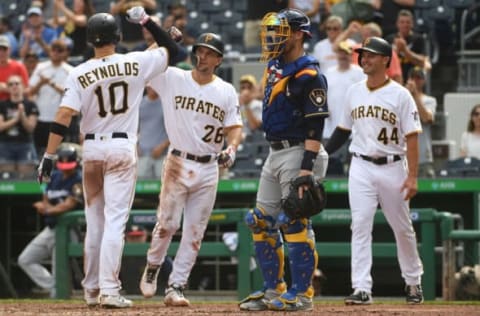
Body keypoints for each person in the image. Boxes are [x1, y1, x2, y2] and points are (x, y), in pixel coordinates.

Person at [36, 7, 182, 308]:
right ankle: (109, 290)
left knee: (95, 223)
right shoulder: (136, 61)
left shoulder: (78, 72)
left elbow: (64, 114)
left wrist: (49, 155)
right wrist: (148, 23)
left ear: (90, 40)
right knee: (115, 221)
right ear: (118, 36)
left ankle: (90, 290)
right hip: (120, 149)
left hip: (91, 150)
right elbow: (173, 51)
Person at [138, 32, 243, 307]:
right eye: (200, 50)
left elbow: (234, 127)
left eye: (209, 52)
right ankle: (153, 265)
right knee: (168, 225)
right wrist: (161, 41)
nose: (202, 55)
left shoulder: (226, 90)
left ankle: (176, 286)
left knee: (195, 233)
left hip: (209, 167)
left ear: (218, 59)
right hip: (178, 161)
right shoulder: (174, 76)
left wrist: (231, 148)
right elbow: (144, 65)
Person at [239, 9, 329, 312]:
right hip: (274, 151)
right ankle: (272, 290)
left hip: (300, 151)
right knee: (260, 221)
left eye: (284, 30)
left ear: (300, 34)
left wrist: (307, 170)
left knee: (293, 221)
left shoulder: (310, 75)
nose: (275, 35)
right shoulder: (275, 67)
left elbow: (316, 127)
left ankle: (302, 294)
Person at [325, 36, 424, 305]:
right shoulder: (354, 91)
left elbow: (413, 137)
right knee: (359, 225)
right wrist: (320, 152)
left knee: (402, 228)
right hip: (360, 165)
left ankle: (413, 281)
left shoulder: (401, 94)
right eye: (362, 54)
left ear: (384, 60)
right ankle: (361, 287)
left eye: (369, 55)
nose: (363, 59)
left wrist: (413, 176)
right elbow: (343, 131)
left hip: (393, 166)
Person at [18, 144, 82, 298]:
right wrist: (47, 207)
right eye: (63, 164)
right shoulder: (55, 176)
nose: (66, 168)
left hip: (67, 230)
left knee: (58, 267)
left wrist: (46, 209)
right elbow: (45, 199)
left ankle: (58, 292)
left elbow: (68, 205)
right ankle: (55, 286)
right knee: (25, 259)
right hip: (51, 227)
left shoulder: (79, 179)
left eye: (69, 165)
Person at [323, 40, 365, 175]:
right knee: (331, 165)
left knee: (353, 166)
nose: (342, 56)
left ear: (350, 55)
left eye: (346, 53)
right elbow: (322, 94)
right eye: (340, 53)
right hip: (331, 127)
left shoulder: (359, 73)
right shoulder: (328, 72)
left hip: (354, 128)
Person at [29, 39, 73, 158]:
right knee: (39, 151)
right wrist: (41, 83)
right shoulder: (41, 67)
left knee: (58, 152)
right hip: (41, 117)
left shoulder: (70, 70)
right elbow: (29, 92)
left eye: (59, 51)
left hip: (59, 118)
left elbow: (69, 94)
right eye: (53, 50)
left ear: (64, 53)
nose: (56, 53)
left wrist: (51, 83)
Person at [0, 75, 39, 179]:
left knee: (26, 178)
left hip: (25, 144)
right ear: (8, 88)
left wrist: (22, 116)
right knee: (7, 178)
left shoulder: (30, 105)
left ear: (23, 86)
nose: (14, 86)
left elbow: (30, 128)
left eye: (17, 83)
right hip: (5, 145)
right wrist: (16, 119)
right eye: (11, 84)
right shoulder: (2, 105)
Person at [405, 66, 437, 177]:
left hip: (423, 157)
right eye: (412, 77)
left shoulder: (430, 100)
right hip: (403, 157)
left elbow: (426, 118)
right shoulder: (401, 98)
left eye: (418, 78)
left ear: (423, 81)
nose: (415, 80)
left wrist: (415, 95)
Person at [385, 9, 430, 82]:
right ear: (397, 24)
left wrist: (405, 50)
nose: (405, 25)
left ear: (412, 24)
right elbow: (384, 62)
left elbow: (424, 62)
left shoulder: (419, 39)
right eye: (402, 22)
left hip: (413, 79)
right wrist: (396, 51)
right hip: (393, 79)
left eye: (408, 22)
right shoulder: (389, 39)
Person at [137, 86, 169, 179]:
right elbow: (133, 128)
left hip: (162, 155)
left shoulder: (166, 104)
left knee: (163, 188)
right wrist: (136, 145)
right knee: (140, 189)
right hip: (142, 154)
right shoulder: (139, 103)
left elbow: (175, 131)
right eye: (149, 85)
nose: (151, 87)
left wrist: (162, 146)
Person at [0, 35, 29, 101]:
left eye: (4, 49)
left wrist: (7, 89)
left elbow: (27, 90)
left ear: (9, 50)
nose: (1, 53)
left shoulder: (19, 66)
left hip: (15, 105)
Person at [238, 74, 263, 140]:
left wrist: (246, 105)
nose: (246, 90)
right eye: (243, 87)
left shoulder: (258, 105)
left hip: (251, 140)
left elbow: (254, 127)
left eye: (249, 87)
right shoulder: (235, 103)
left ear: (254, 89)